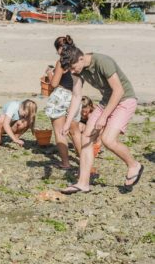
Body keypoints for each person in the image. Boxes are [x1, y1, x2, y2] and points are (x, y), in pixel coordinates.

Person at [60, 45, 143, 194]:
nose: (72, 72)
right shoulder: (77, 69)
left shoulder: (103, 62)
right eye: (70, 70)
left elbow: (119, 91)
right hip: (106, 101)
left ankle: (134, 165)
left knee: (108, 139)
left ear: (81, 58)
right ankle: (83, 183)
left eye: (73, 68)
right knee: (86, 138)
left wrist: (103, 117)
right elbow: (77, 96)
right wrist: (67, 122)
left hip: (125, 100)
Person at [43, 35, 82, 169]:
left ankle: (66, 163)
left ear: (60, 48)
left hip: (61, 95)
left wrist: (49, 73)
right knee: (75, 131)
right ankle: (84, 161)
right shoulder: (79, 58)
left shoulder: (61, 61)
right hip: (75, 96)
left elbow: (54, 83)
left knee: (60, 132)